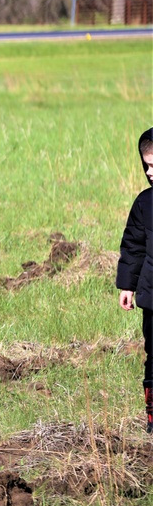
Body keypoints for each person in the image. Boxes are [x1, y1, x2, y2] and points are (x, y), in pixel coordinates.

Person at [116, 127, 153, 434]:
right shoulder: (144, 204)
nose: (151, 172)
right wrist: (128, 285)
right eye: (147, 166)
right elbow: (133, 245)